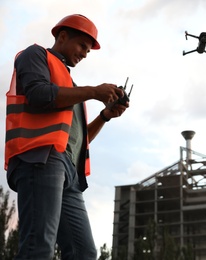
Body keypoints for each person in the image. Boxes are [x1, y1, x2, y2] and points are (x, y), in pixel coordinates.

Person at [4, 14, 129, 259]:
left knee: (84, 252)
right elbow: (39, 95)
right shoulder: (36, 55)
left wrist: (104, 116)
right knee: (38, 247)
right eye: (83, 45)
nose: (84, 53)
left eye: (88, 51)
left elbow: (78, 144)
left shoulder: (71, 87)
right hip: (40, 159)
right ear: (62, 36)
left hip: (68, 172)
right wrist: (94, 91)